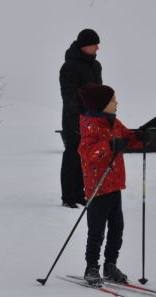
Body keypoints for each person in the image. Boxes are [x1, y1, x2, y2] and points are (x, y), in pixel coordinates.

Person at [77, 83, 145, 286]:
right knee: (96, 230)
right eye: (113, 100)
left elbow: (127, 138)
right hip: (98, 187)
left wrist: (141, 137)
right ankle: (91, 268)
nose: (117, 103)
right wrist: (109, 145)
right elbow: (88, 154)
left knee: (117, 227)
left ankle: (110, 265)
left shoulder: (114, 123)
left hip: (115, 184)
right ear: (101, 104)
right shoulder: (90, 125)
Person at [59, 28, 103, 208]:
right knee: (72, 156)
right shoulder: (69, 67)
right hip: (75, 120)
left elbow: (99, 93)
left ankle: (79, 194)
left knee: (85, 158)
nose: (98, 48)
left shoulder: (96, 65)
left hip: (94, 120)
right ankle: (68, 197)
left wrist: (102, 116)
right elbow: (69, 97)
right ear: (85, 45)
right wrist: (77, 122)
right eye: (95, 44)